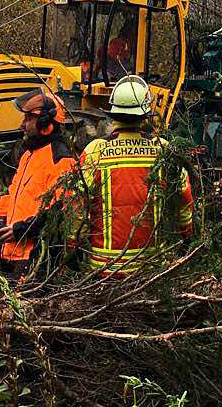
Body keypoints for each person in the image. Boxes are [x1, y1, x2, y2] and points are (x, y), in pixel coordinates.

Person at [76, 75, 194, 275]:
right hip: (152, 268)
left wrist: (72, 244)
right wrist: (187, 236)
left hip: (105, 270)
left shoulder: (95, 151)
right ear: (145, 115)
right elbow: (184, 198)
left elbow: (77, 204)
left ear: (113, 114)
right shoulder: (163, 150)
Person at [0, 88, 76, 278]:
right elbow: (14, 194)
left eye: (28, 119)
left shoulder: (61, 160)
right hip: (17, 252)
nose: (22, 124)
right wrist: (0, 217)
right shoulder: (29, 155)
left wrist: (21, 229)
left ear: (46, 124)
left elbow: (57, 213)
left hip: (38, 256)